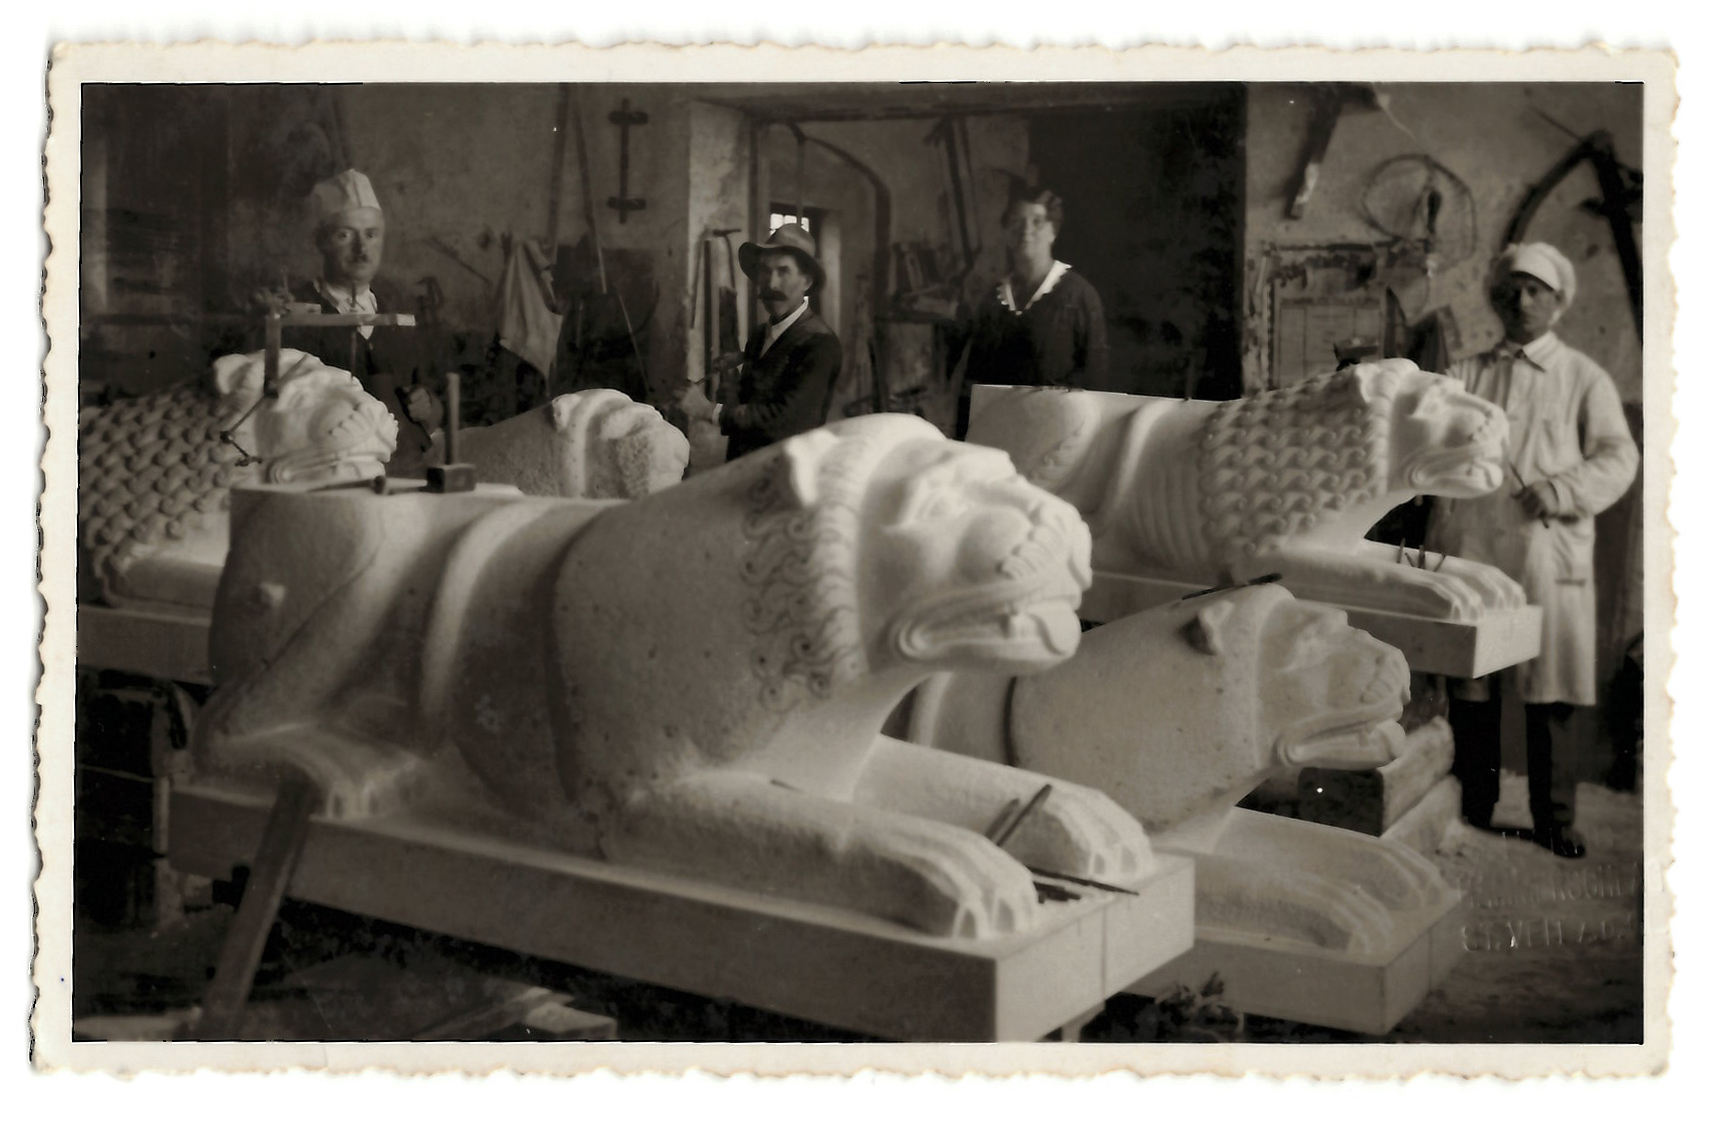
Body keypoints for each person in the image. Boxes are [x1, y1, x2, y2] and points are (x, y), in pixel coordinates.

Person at [1426, 242, 1638, 860]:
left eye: (1535, 291)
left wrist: (1561, 489)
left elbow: (1619, 457)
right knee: (1473, 678)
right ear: (1496, 300)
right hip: (1472, 547)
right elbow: (1429, 434)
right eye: (1511, 291)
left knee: (1551, 686)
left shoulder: (1582, 377)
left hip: (1547, 550)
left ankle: (1555, 818)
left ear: (1557, 301)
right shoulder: (1464, 374)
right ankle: (1475, 804)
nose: (1521, 302)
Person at [284, 168, 442, 447]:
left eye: (371, 234)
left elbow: (431, 393)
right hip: (329, 460)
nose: (362, 249)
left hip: (407, 460)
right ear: (321, 242)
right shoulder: (296, 313)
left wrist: (427, 403)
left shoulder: (399, 311)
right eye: (345, 235)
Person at [676, 222, 842, 461]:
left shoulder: (820, 344)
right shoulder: (759, 336)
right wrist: (735, 385)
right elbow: (755, 395)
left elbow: (783, 421)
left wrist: (709, 410)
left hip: (787, 470)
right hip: (744, 465)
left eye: (783, 271)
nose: (771, 284)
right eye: (765, 270)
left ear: (806, 282)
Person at [953, 185, 1109, 436]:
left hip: (1059, 436)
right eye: (1016, 221)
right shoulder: (992, 300)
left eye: (1037, 221)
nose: (1026, 230)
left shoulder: (1079, 296)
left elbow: (1096, 381)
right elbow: (973, 383)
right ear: (1006, 233)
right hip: (1001, 433)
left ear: (1053, 231)